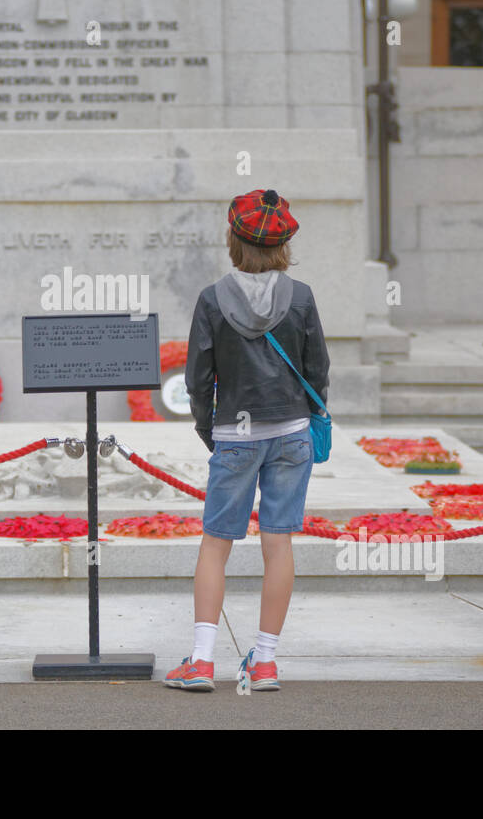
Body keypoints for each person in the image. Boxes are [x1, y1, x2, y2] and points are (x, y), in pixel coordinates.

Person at [165, 189, 330, 692]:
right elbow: (317, 369)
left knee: (215, 545)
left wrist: (205, 427)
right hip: (291, 434)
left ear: (233, 239)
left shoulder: (212, 299)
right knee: (277, 545)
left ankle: (201, 661)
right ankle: (265, 663)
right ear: (283, 244)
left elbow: (198, 378)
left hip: (235, 435)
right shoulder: (300, 297)